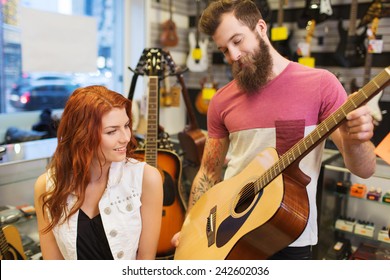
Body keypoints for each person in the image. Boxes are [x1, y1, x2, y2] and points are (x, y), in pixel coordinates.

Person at [173, 0, 376, 260]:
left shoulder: (321, 85)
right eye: (224, 50)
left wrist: (355, 139)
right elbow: (207, 173)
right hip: (228, 237)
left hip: (289, 232)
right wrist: (191, 228)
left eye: (238, 41)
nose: (233, 56)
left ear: (260, 27)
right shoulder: (221, 101)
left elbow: (365, 169)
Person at [34, 85, 163, 260]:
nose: (126, 137)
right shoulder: (47, 186)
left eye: (126, 125)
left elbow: (146, 261)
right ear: (82, 135)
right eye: (112, 131)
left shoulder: (146, 179)